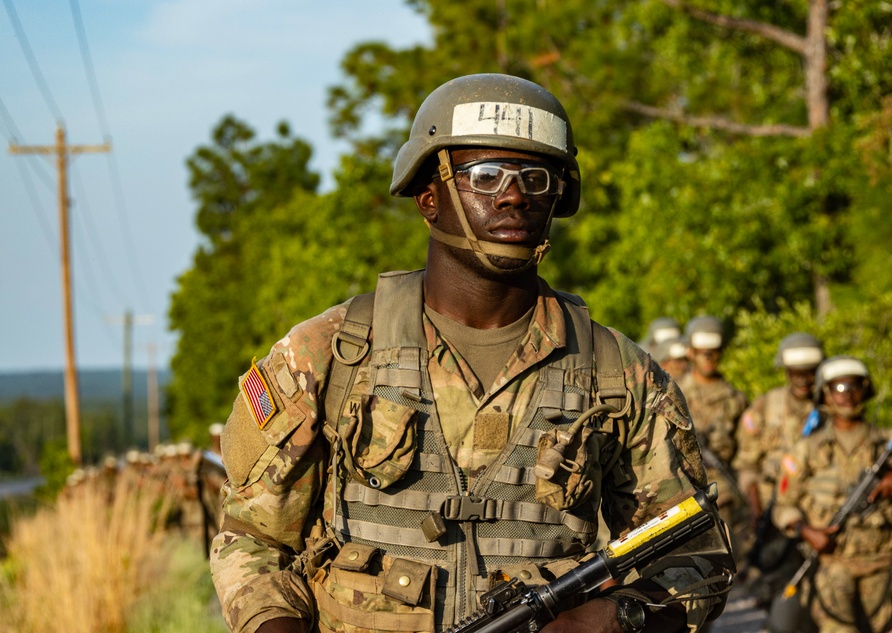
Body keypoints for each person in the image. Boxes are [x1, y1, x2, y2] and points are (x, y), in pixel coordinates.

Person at [210, 73, 734, 633]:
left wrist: (618, 617)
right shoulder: (330, 354)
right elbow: (253, 540)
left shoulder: (618, 375)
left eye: (535, 178)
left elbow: (696, 561)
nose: (513, 196)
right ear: (428, 197)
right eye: (485, 176)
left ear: (557, 199)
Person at [772, 356, 892, 633]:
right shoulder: (807, 450)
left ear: (865, 390)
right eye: (839, 388)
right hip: (832, 565)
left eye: (854, 387)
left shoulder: (890, 444)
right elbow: (783, 506)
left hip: (883, 563)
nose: (847, 395)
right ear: (825, 393)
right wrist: (805, 529)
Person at [731, 333, 823, 612]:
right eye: (795, 372)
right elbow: (746, 463)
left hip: (817, 507)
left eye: (808, 372)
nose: (802, 379)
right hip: (773, 507)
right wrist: (755, 503)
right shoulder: (765, 406)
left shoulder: (829, 406)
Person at [675, 317, 748, 558]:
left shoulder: (735, 399)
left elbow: (746, 454)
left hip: (721, 488)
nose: (708, 359)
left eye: (713, 353)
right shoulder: (673, 392)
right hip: (678, 484)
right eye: (702, 353)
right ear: (690, 352)